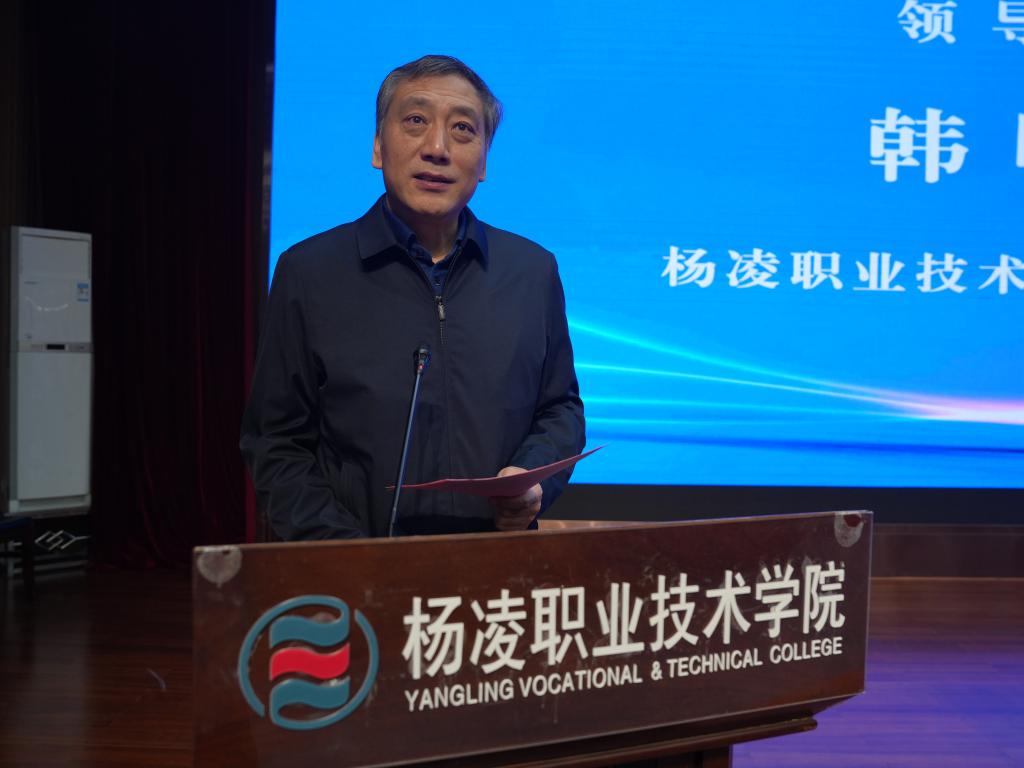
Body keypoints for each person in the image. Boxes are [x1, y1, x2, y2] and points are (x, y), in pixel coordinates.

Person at [240, 55, 585, 539]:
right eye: (416, 121)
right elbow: (277, 441)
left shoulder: (531, 271)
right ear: (378, 146)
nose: (437, 148)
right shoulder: (309, 272)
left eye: (463, 129)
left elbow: (559, 410)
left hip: (498, 561)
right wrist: (342, 553)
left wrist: (532, 483)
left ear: (484, 161)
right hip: (355, 563)